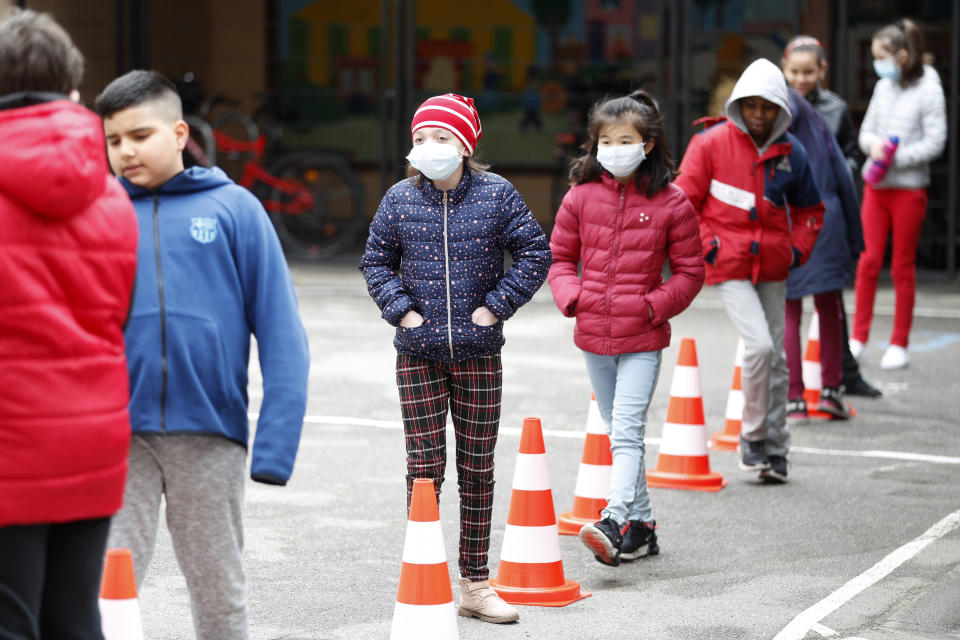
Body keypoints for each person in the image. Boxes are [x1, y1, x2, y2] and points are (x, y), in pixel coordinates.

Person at [95, 70, 310, 640]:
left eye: (139, 135)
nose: (125, 151)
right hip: (117, 435)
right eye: (113, 140)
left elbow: (282, 330)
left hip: (210, 433)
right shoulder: (98, 216)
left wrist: (276, 444)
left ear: (179, 131)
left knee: (218, 593)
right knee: (106, 590)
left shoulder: (235, 210)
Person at [359, 93, 550, 624]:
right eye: (421, 139)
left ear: (465, 146)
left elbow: (536, 252)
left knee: (477, 468)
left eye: (441, 138)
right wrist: (403, 314)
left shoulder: (497, 195)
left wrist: (495, 307)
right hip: (416, 355)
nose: (429, 147)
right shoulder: (399, 199)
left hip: (479, 356)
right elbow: (375, 261)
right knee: (424, 469)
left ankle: (474, 583)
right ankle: (424, 575)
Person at [0, 9, 138, 638]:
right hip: (92, 434)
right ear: (72, 87)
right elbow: (120, 312)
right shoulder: (111, 195)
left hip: (11, 436)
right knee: (74, 615)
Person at [548, 90, 704, 566]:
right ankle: (644, 528)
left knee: (627, 432)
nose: (615, 148)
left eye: (626, 140)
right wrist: (573, 297)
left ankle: (615, 519)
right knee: (619, 429)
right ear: (594, 144)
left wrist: (652, 307)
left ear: (648, 144)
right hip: (593, 333)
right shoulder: (579, 196)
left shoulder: (672, 202)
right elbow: (559, 260)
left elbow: (690, 272)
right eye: (606, 140)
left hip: (642, 337)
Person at [675, 58, 824, 484]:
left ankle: (775, 450)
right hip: (729, 265)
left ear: (781, 110)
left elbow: (812, 210)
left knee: (776, 359)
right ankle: (754, 439)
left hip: (775, 266)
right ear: (739, 104)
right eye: (752, 106)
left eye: (769, 107)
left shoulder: (792, 152)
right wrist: (710, 248)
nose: (760, 115)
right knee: (760, 347)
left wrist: (796, 253)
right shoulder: (709, 144)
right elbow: (684, 206)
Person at [781, 36, 881, 398]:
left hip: (826, 212)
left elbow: (853, 156)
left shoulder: (835, 109)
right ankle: (811, 390)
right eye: (795, 71)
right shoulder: (775, 109)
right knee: (796, 305)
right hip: (798, 214)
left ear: (822, 70)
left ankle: (832, 384)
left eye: (809, 71)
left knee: (825, 303)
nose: (802, 78)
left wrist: (837, 170)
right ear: (784, 68)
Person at [850, 18, 947, 370]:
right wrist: (874, 145)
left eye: (882, 57)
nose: (879, 65)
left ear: (902, 56)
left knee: (902, 266)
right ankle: (858, 338)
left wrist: (897, 158)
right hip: (876, 187)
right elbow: (866, 132)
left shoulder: (930, 89)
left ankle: (898, 343)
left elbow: (937, 142)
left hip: (908, 190)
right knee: (868, 261)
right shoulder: (882, 87)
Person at [781, 87, 864, 423]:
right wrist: (855, 240)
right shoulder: (818, 124)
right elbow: (845, 180)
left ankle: (793, 398)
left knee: (789, 310)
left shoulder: (771, 132)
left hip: (785, 223)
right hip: (826, 222)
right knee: (829, 308)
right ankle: (831, 391)